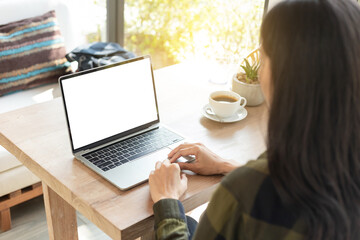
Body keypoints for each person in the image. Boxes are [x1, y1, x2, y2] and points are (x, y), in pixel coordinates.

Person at [148, 0, 360, 239]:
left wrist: (167, 201)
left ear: (283, 76)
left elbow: (267, 189)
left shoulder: (245, 193)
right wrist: (225, 165)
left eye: (264, 54)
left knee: (180, 220)